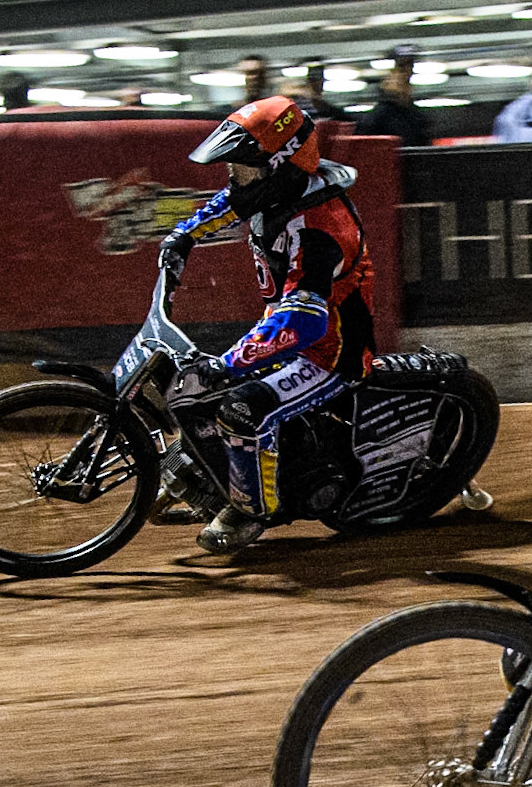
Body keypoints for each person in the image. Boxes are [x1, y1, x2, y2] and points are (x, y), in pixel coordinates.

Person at [157, 96, 375, 555]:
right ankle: (205, 467)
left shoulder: (320, 230)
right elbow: (232, 203)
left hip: (329, 351)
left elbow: (306, 321)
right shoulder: (276, 192)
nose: (234, 180)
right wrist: (183, 236)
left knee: (241, 407)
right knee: (202, 376)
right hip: (285, 328)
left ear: (281, 164)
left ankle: (251, 511)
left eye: (243, 169)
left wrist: (233, 363)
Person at [355, 45, 434, 146]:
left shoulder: (417, 117)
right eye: (401, 68)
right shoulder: (377, 117)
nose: (403, 76)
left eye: (409, 68)